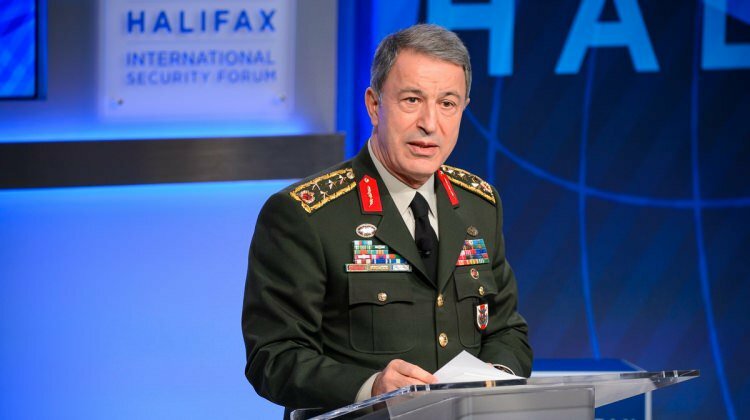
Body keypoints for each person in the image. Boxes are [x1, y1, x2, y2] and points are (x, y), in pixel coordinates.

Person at [242, 23, 532, 417]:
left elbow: (506, 329)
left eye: (447, 104)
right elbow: (273, 358)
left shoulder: (479, 204)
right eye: (412, 100)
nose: (430, 123)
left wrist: (495, 381)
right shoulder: (305, 214)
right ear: (375, 105)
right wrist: (371, 388)